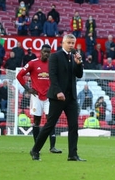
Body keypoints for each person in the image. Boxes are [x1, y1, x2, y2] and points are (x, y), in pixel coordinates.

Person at [30, 34, 85, 162]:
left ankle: (72, 154)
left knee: (74, 126)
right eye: (69, 43)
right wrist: (58, 92)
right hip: (57, 97)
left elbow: (79, 75)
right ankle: (35, 150)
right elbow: (52, 76)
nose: (71, 45)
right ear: (63, 43)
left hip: (71, 98)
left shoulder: (73, 57)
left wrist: (79, 64)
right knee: (50, 125)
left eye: (73, 43)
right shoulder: (55, 56)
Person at [16, 44, 62, 154]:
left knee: (51, 120)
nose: (47, 54)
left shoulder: (52, 64)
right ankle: (37, 147)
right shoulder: (33, 63)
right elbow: (19, 75)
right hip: (36, 97)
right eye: (45, 51)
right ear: (41, 52)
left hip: (49, 97)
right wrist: (27, 88)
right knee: (37, 121)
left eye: (48, 52)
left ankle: (52, 147)